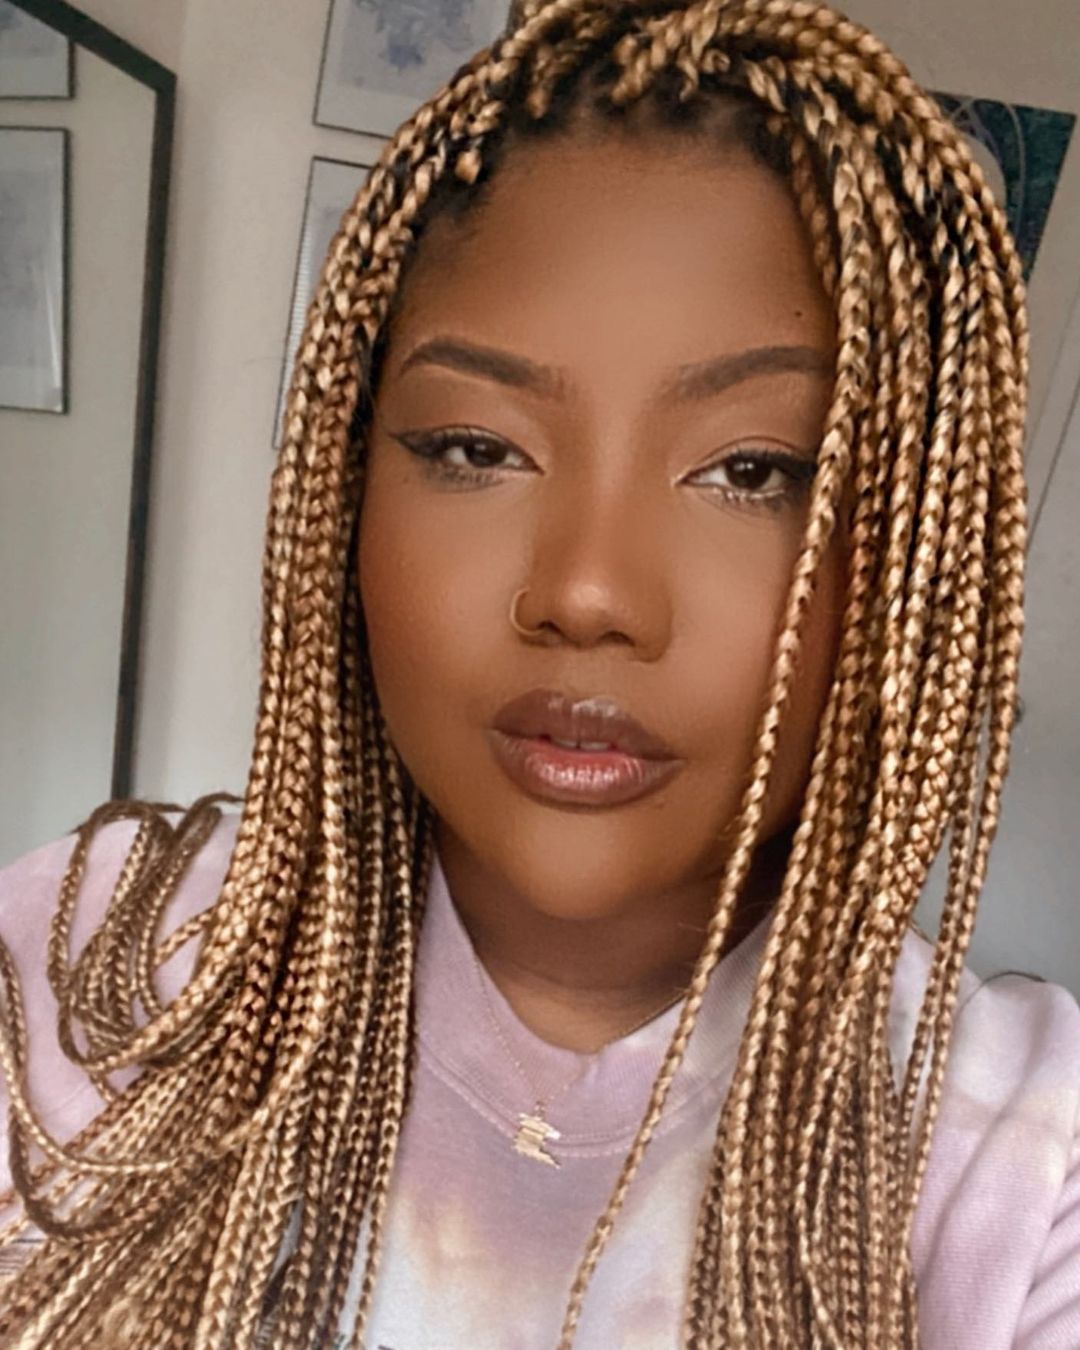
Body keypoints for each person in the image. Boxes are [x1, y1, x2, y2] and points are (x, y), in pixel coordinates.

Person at [0, 0, 1077, 1345]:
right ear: (341, 496)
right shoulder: (93, 958)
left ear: (923, 551)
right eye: (475, 447)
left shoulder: (1021, 1165)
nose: (588, 590)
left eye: (754, 471)